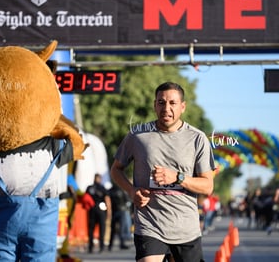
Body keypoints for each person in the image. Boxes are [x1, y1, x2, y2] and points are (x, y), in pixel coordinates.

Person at [110, 82, 215, 262]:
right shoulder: (137, 135)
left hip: (185, 228)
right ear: (154, 105)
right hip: (150, 224)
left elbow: (207, 186)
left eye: (172, 103)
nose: (166, 108)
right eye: (161, 102)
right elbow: (116, 170)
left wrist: (177, 177)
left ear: (183, 107)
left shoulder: (197, 138)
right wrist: (131, 190)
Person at [85, 173, 111, 253]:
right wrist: (109, 212)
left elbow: (85, 198)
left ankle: (90, 247)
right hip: (101, 210)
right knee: (101, 229)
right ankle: (101, 247)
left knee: (91, 229)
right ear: (99, 179)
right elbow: (107, 200)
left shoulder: (89, 188)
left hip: (92, 210)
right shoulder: (102, 188)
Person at [108, 183, 132, 251]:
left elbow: (127, 200)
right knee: (114, 228)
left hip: (121, 211)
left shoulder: (119, 190)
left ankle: (120, 244)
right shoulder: (112, 190)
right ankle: (111, 244)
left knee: (120, 229)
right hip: (116, 211)